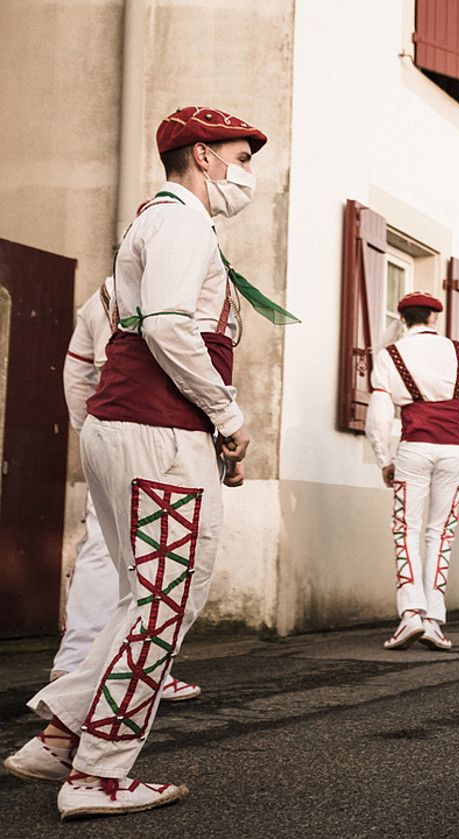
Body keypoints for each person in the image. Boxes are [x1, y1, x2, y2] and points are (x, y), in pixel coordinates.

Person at [5, 106, 295, 819]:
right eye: (239, 155)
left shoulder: (161, 223)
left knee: (149, 596)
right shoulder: (181, 222)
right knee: (168, 599)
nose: (246, 173)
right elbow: (167, 322)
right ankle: (98, 772)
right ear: (201, 156)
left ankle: (61, 737)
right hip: (158, 429)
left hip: (133, 425)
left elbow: (94, 355)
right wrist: (227, 414)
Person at [49, 277, 201, 700]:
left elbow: (77, 372)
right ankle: (141, 668)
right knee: (159, 554)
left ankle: (75, 662)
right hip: (161, 431)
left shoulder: (100, 297)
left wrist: (89, 429)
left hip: (107, 427)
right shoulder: (177, 289)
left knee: (101, 548)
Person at [367, 292, 459, 650]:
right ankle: (433, 618)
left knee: (406, 529)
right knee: (441, 532)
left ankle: (411, 614)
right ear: (435, 318)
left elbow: (379, 414)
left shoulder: (390, 355)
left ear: (403, 319)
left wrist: (383, 458)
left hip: (414, 448)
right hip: (453, 448)